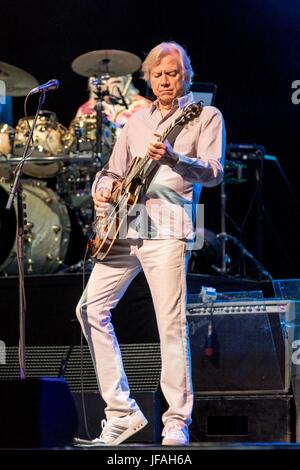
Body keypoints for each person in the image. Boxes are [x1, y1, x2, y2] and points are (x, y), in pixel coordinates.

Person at [76, 41, 226, 446]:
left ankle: (177, 420)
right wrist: (105, 188)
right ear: (149, 77)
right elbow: (110, 171)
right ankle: (121, 412)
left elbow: (213, 172)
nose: (165, 80)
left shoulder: (205, 115)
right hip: (128, 223)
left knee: (170, 325)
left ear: (185, 77)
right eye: (158, 74)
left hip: (169, 225)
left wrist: (176, 158)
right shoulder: (136, 121)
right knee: (90, 308)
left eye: (173, 73)